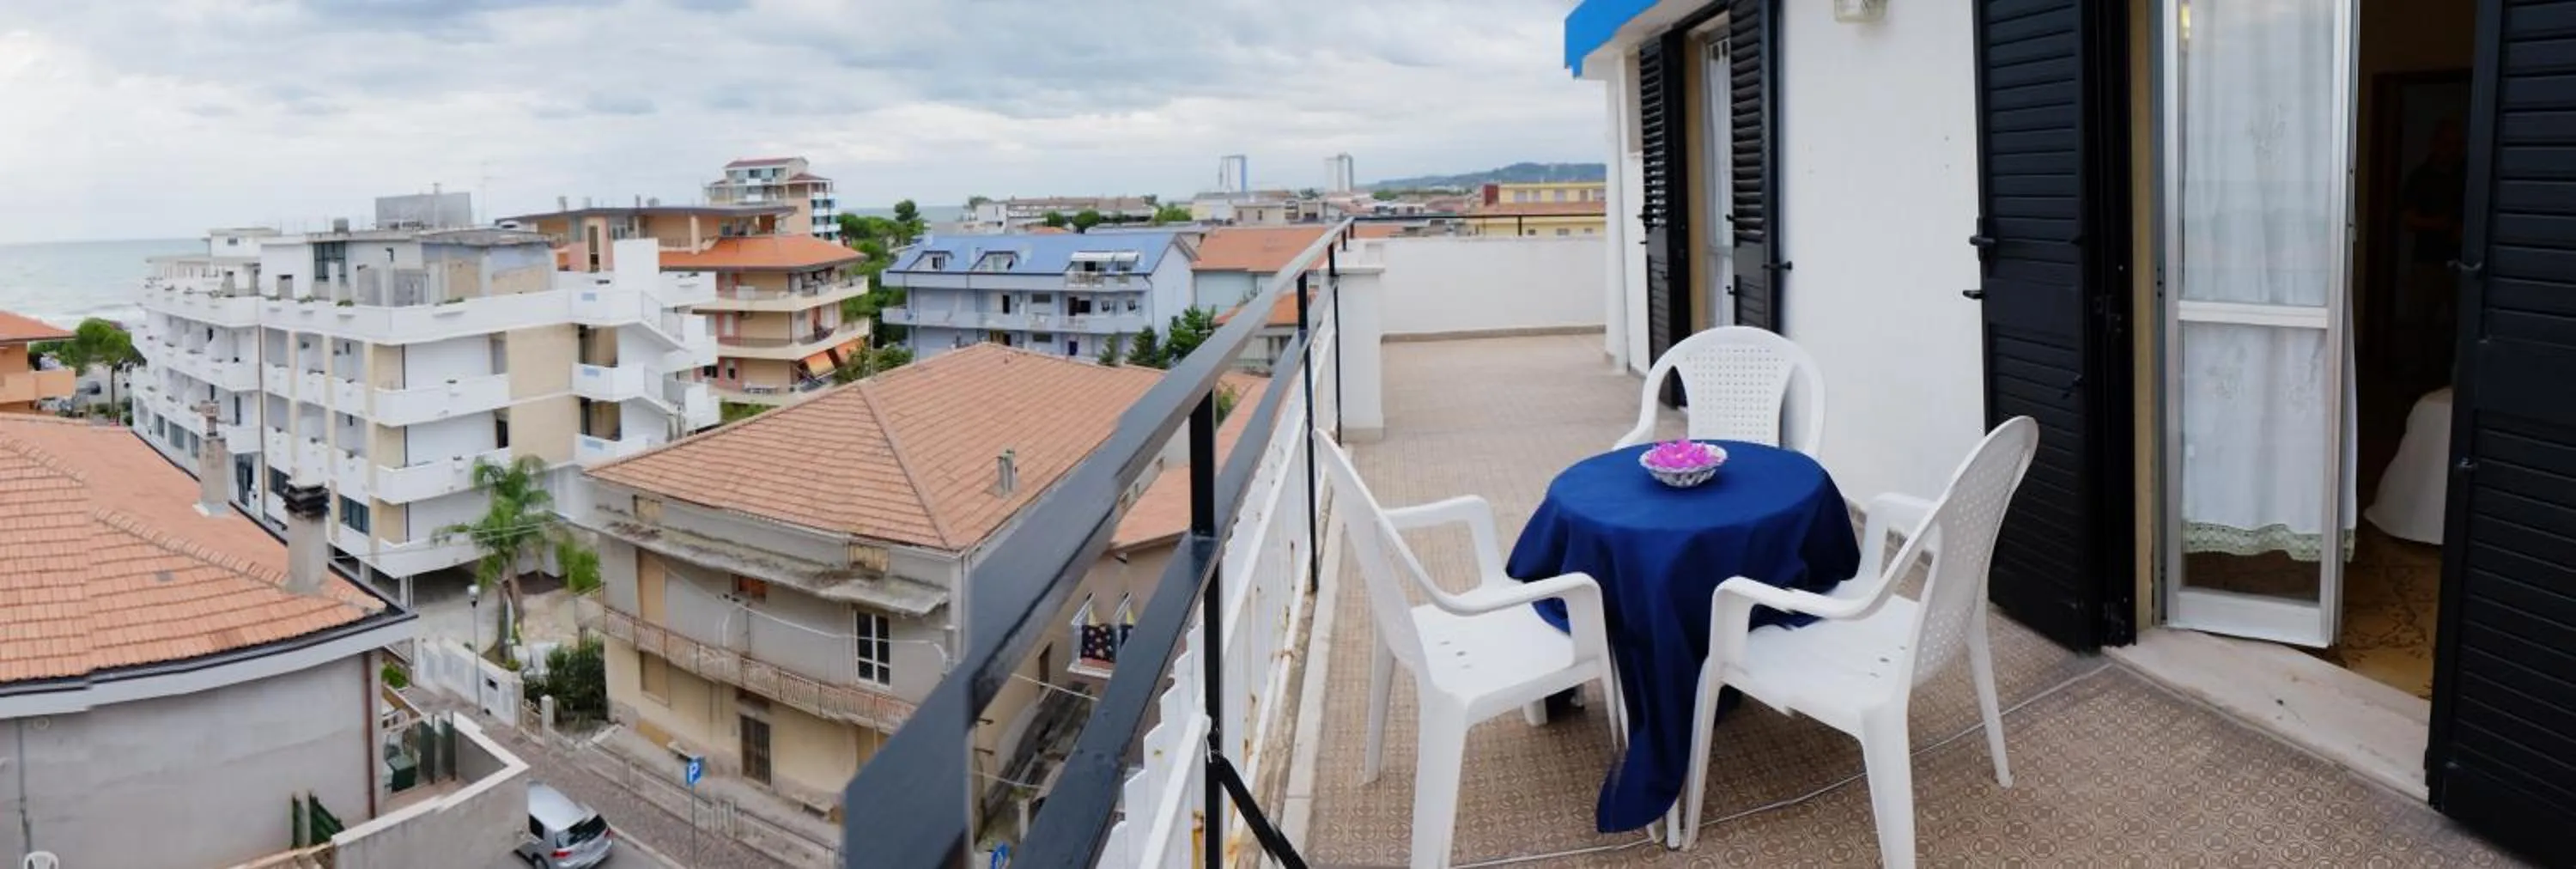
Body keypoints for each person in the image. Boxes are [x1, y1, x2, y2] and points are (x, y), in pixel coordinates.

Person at [2398, 115, 2466, 387]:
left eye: (2456, 144)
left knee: (2461, 325)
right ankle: (2414, 379)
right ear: (2435, 144)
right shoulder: (2420, 177)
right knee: (2419, 323)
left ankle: (2454, 380)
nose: (2451, 149)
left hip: (2463, 263)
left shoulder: (2469, 175)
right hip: (2427, 261)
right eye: (2446, 143)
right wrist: (2439, 224)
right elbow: (2407, 218)